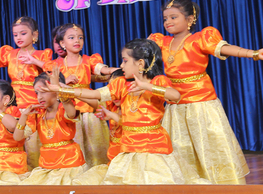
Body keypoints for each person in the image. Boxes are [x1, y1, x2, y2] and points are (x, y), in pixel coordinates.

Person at [40, 38, 208, 184]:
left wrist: (147, 86)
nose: (121, 66)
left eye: (125, 61)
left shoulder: (158, 81)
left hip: (154, 148)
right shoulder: (121, 84)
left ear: (140, 63)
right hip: (128, 147)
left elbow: (176, 96)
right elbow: (95, 94)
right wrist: (64, 89)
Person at [149, 0, 252, 184]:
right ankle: (189, 186)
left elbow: (226, 49)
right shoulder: (162, 41)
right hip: (175, 105)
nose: (168, 22)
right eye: (165, 19)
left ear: (189, 20)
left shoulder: (200, 38)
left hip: (201, 104)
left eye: (173, 17)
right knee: (180, 147)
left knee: (208, 145)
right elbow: (138, 57)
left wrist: (252, 54)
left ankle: (219, 186)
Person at [44, 24, 116, 167]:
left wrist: (122, 70)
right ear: (62, 43)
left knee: (95, 148)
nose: (77, 40)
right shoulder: (55, 65)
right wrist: (64, 82)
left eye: (80, 37)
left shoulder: (89, 60)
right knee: (75, 149)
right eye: (71, 38)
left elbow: (104, 70)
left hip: (89, 109)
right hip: (68, 111)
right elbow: (50, 87)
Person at [0, 16, 53, 168]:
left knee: (34, 144)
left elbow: (52, 70)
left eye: (23, 33)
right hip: (15, 106)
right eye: (15, 35)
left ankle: (38, 171)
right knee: (16, 141)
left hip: (34, 105)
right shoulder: (10, 54)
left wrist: (34, 61)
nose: (18, 38)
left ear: (34, 35)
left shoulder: (41, 55)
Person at [17, 70, 87, 185]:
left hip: (69, 165)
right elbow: (18, 137)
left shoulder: (64, 108)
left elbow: (72, 114)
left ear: (55, 90)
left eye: (43, 92)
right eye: (36, 93)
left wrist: (61, 92)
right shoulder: (38, 113)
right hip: (46, 166)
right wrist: (24, 116)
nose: (39, 97)